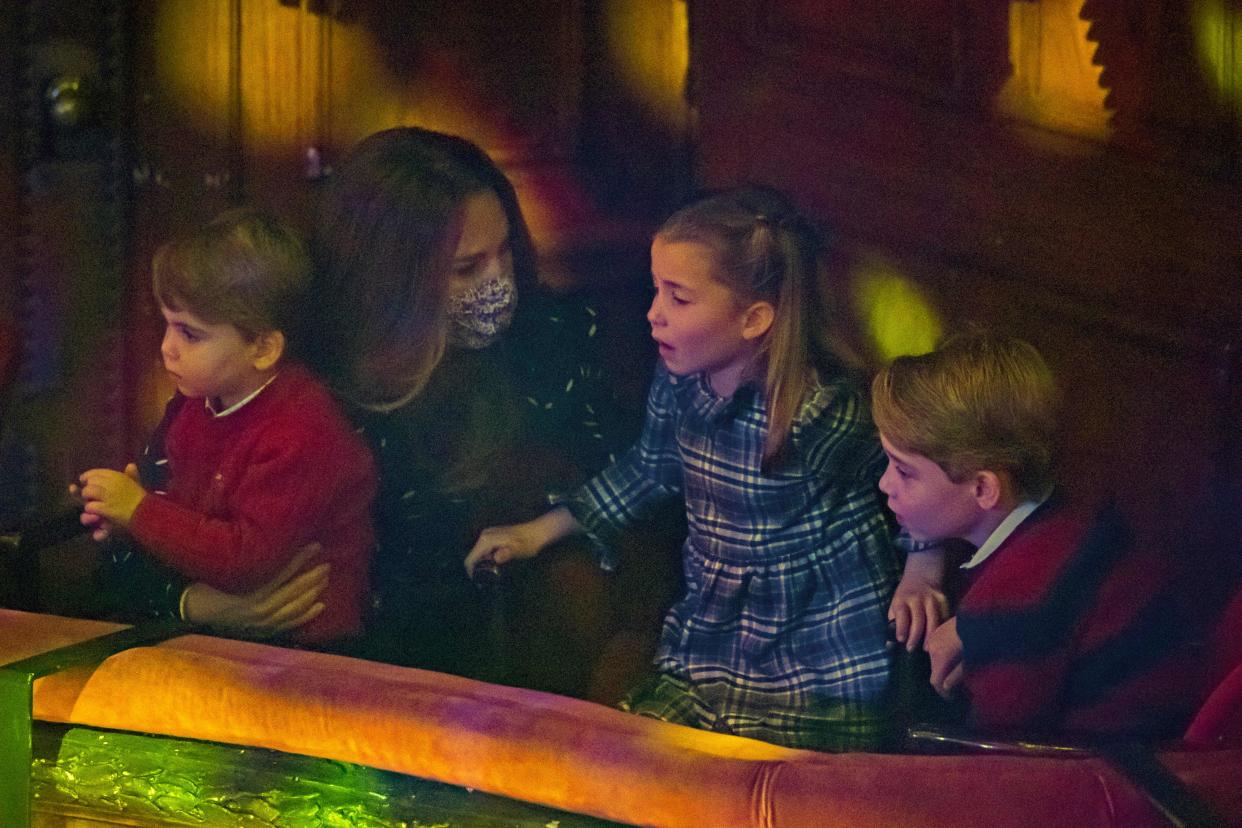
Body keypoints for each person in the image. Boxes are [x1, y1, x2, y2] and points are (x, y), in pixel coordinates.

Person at [466, 185, 942, 752]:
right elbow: (648, 468)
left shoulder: (820, 414)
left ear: (754, 319)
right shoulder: (678, 381)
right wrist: (536, 532)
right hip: (714, 633)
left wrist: (924, 566)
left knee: (782, 784)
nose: (652, 314)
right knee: (643, 756)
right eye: (655, 290)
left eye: (679, 298)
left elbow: (910, 483)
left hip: (817, 645)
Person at [304, 127, 640, 685]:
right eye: (466, 268)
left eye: (505, 251)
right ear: (390, 278)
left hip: (532, 681)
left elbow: (630, 491)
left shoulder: (556, 338)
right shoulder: (313, 380)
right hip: (371, 683)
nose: (498, 282)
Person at [871, 332, 1203, 739]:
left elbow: (1002, 755)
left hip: (1113, 773)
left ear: (983, 489)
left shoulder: (1010, 608)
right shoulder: (1066, 518)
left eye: (904, 471)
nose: (886, 484)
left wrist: (981, 635)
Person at [74, 207, 376, 647]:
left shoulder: (301, 432)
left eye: (189, 334)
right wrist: (129, 516)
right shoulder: (198, 402)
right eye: (166, 325)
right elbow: (195, 513)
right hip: (227, 633)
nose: (166, 348)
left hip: (309, 648)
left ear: (263, 347)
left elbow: (244, 561)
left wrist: (141, 511)